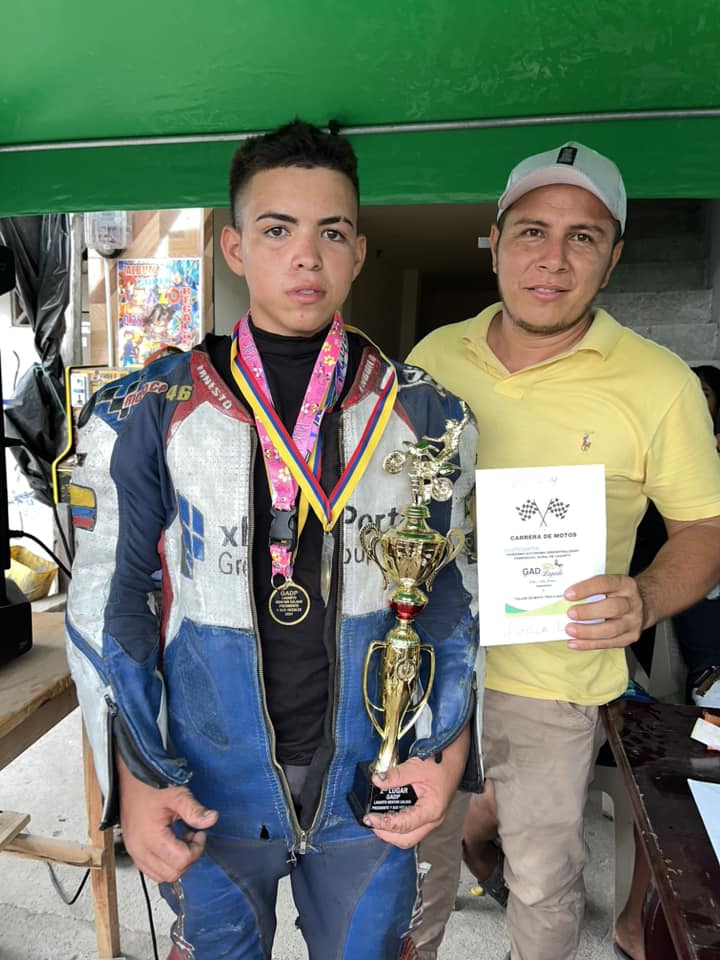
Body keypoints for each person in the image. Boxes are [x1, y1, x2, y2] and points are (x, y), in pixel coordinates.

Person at [65, 120, 481, 960]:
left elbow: (453, 601)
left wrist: (444, 753)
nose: (307, 257)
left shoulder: (427, 416)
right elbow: (110, 603)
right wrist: (138, 778)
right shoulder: (146, 410)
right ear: (234, 248)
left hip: (372, 778)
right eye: (277, 230)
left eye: (332, 232)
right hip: (206, 781)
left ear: (359, 253)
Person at [407, 141, 720, 960]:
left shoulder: (660, 383)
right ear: (495, 242)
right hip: (422, 670)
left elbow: (704, 529)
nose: (553, 259)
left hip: (555, 682)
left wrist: (646, 597)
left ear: (612, 259)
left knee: (544, 882)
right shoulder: (431, 358)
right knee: (411, 870)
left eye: (583, 237)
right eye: (532, 232)